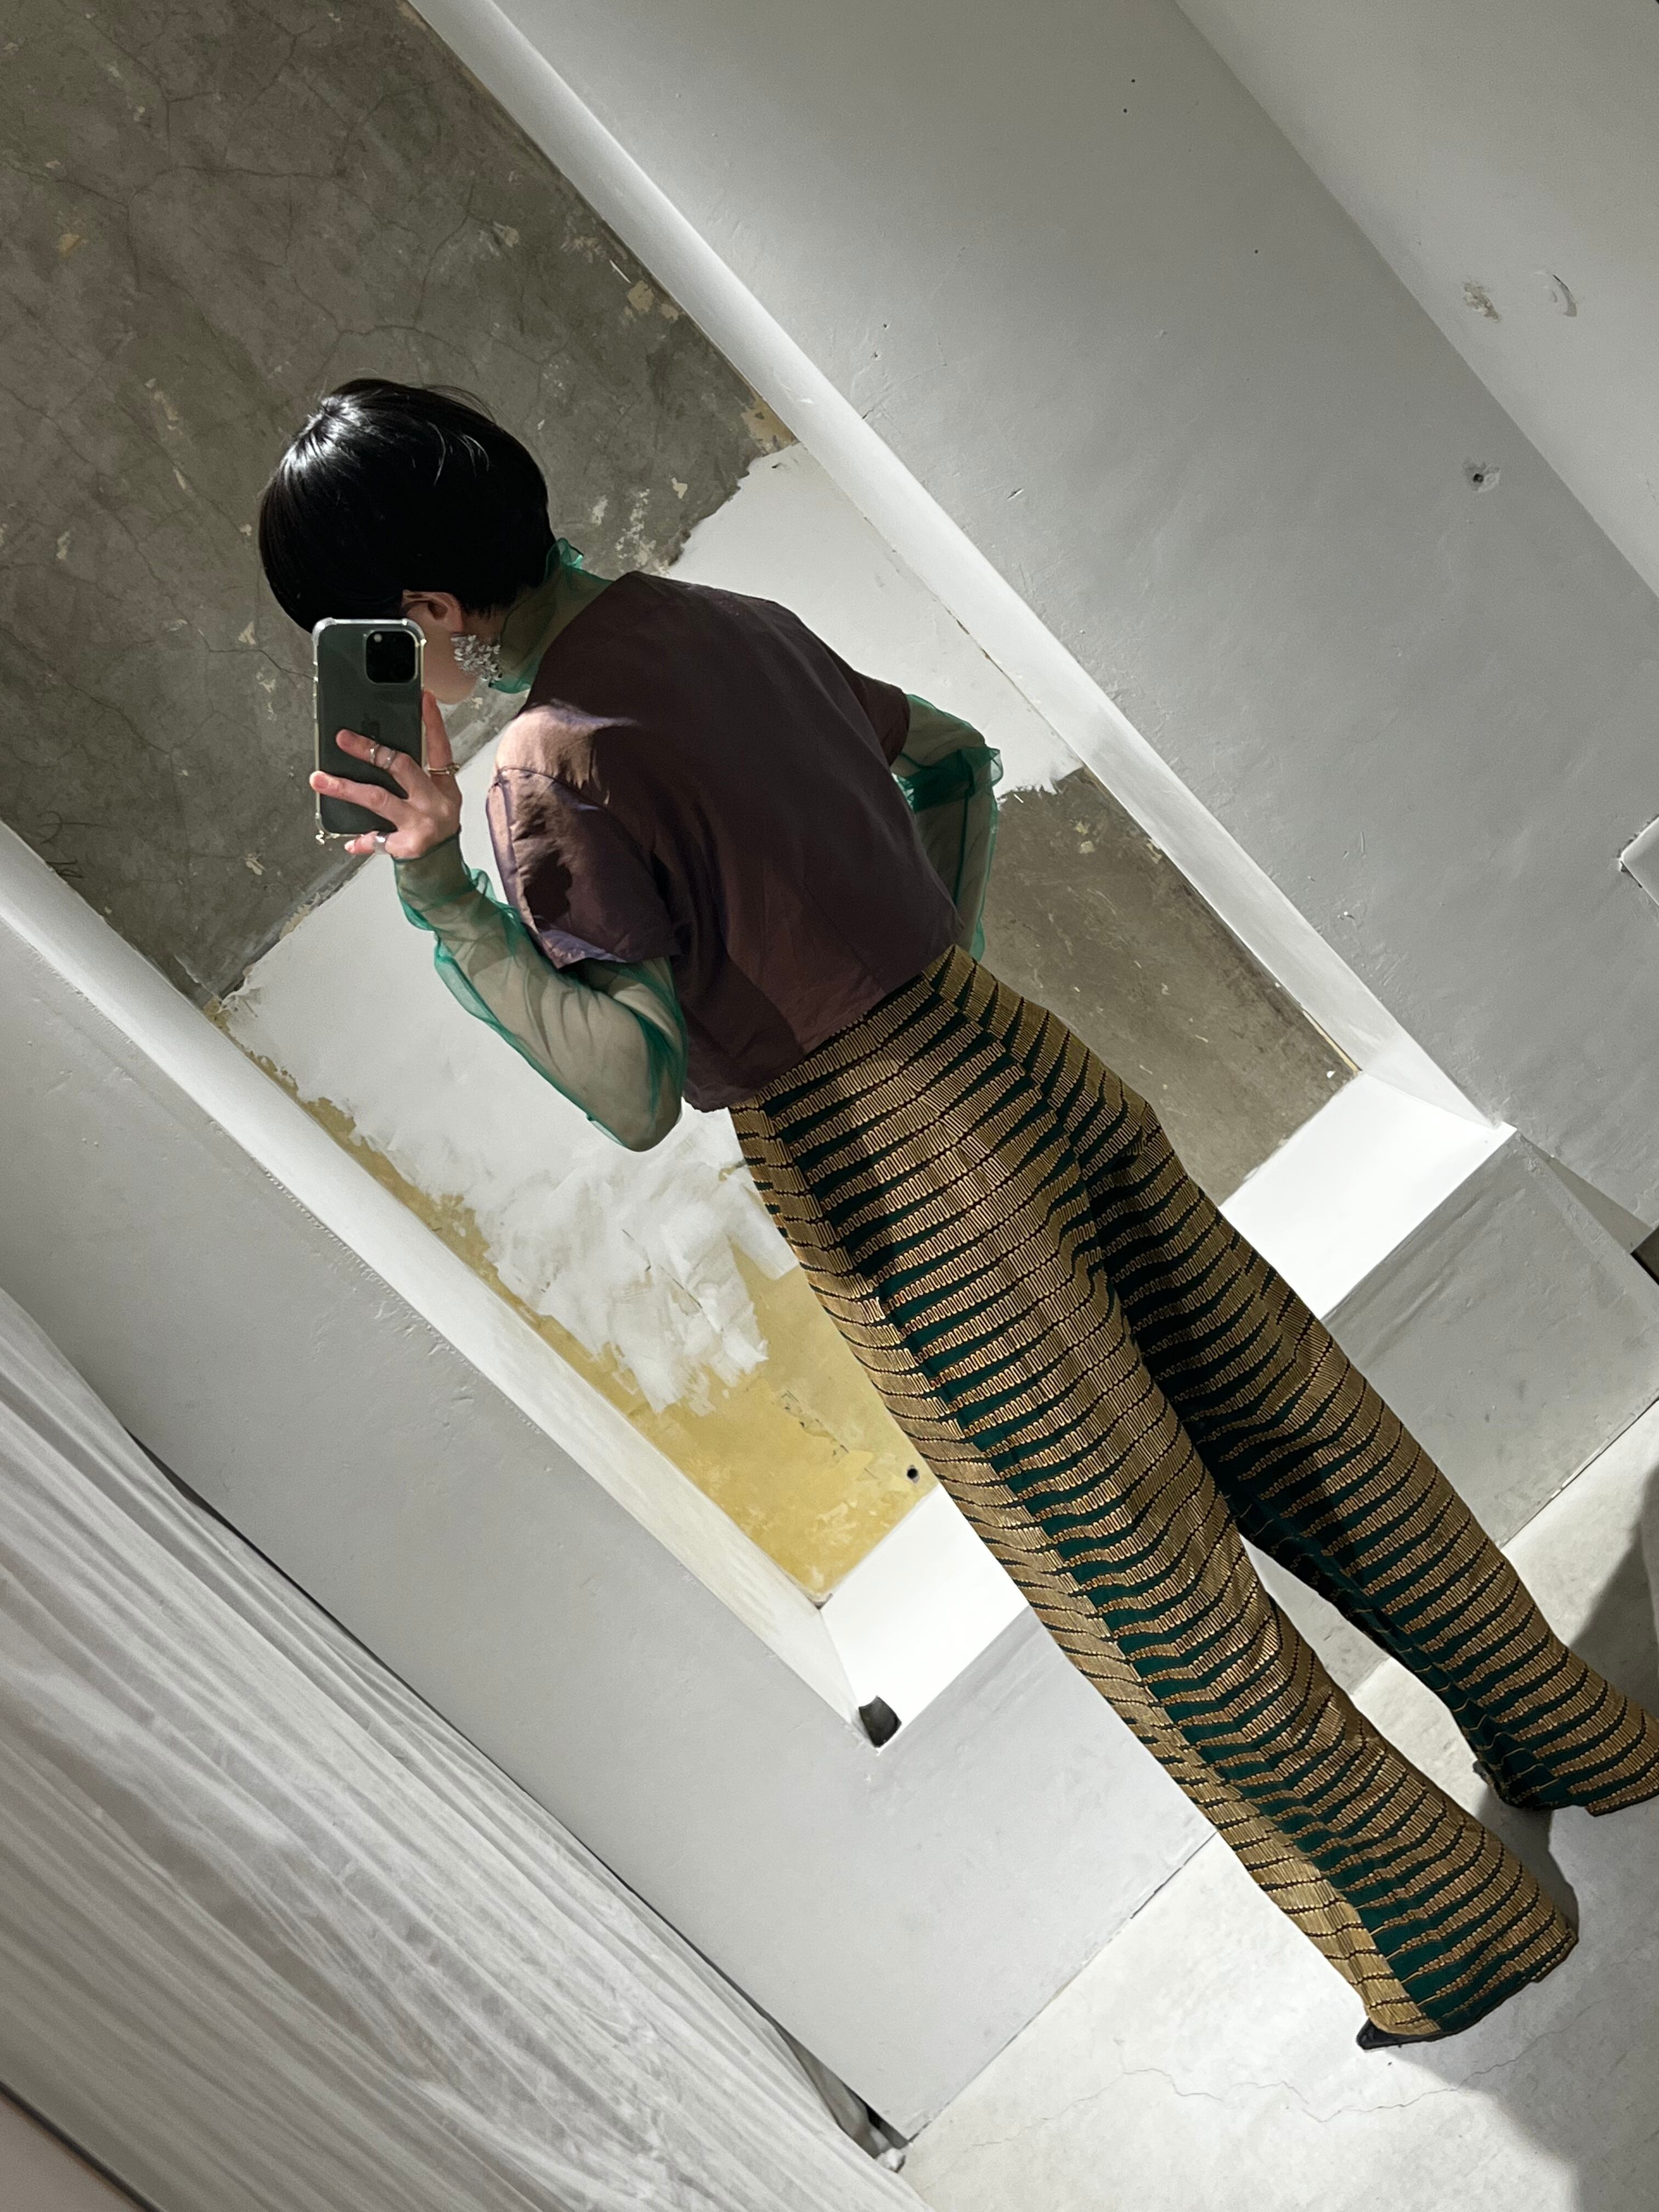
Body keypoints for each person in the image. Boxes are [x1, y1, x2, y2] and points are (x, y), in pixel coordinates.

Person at [260, 379, 1659, 2052]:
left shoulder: (545, 775)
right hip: (1019, 1061)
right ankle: (1581, 1732)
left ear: (425, 609)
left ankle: (1448, 1931)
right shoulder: (727, 621)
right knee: (1300, 1429)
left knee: (1138, 1585)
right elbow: (953, 761)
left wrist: (441, 897)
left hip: (884, 1172)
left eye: (364, 636)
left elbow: (629, 1087)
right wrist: (923, 958)